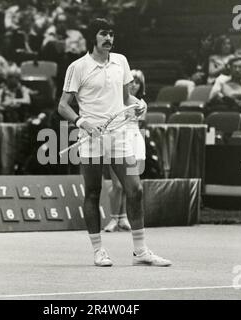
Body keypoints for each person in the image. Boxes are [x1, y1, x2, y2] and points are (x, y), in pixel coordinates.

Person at [58, 18, 172, 267]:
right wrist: (81, 122)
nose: (109, 38)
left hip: (119, 136)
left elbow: (125, 97)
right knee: (93, 192)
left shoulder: (121, 61)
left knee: (135, 189)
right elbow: (63, 105)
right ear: (93, 37)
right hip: (90, 137)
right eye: (103, 34)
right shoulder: (77, 67)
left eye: (111, 34)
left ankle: (140, 251)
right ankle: (98, 250)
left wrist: (138, 103)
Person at [104, 69, 147, 232]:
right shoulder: (114, 101)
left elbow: (140, 123)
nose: (134, 85)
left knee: (130, 185)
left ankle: (123, 218)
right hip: (116, 140)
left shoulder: (141, 104)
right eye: (131, 82)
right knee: (117, 184)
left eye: (137, 82)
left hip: (134, 140)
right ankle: (113, 219)